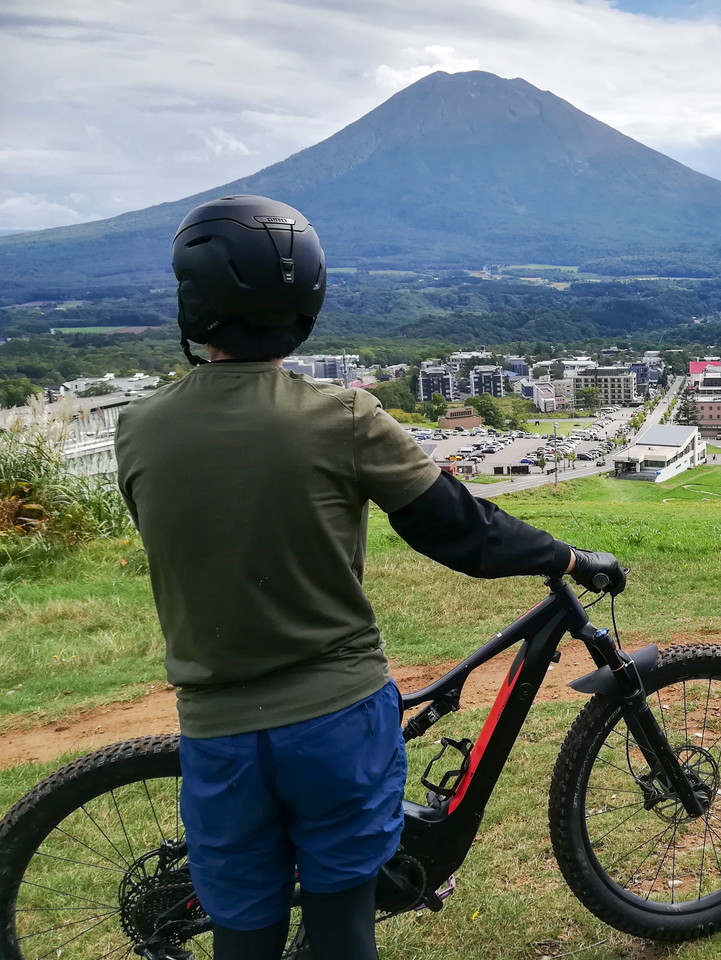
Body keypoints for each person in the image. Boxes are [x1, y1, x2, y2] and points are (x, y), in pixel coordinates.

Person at [114, 195, 624, 960]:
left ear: (195, 304)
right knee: (342, 928)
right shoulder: (344, 416)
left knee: (242, 938)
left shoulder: (138, 426)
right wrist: (569, 558)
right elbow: (461, 532)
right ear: (306, 305)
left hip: (218, 727)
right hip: (335, 721)